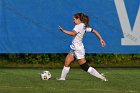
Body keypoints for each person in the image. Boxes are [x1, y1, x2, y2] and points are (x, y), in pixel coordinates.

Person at [57, 13, 107, 81]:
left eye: (74, 19)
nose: (73, 21)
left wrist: (63, 31)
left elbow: (73, 33)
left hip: (78, 50)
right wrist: (100, 39)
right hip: (74, 48)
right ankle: (62, 78)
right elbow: (93, 30)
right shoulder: (83, 25)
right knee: (67, 62)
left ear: (78, 19)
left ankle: (101, 76)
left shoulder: (78, 26)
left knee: (85, 67)